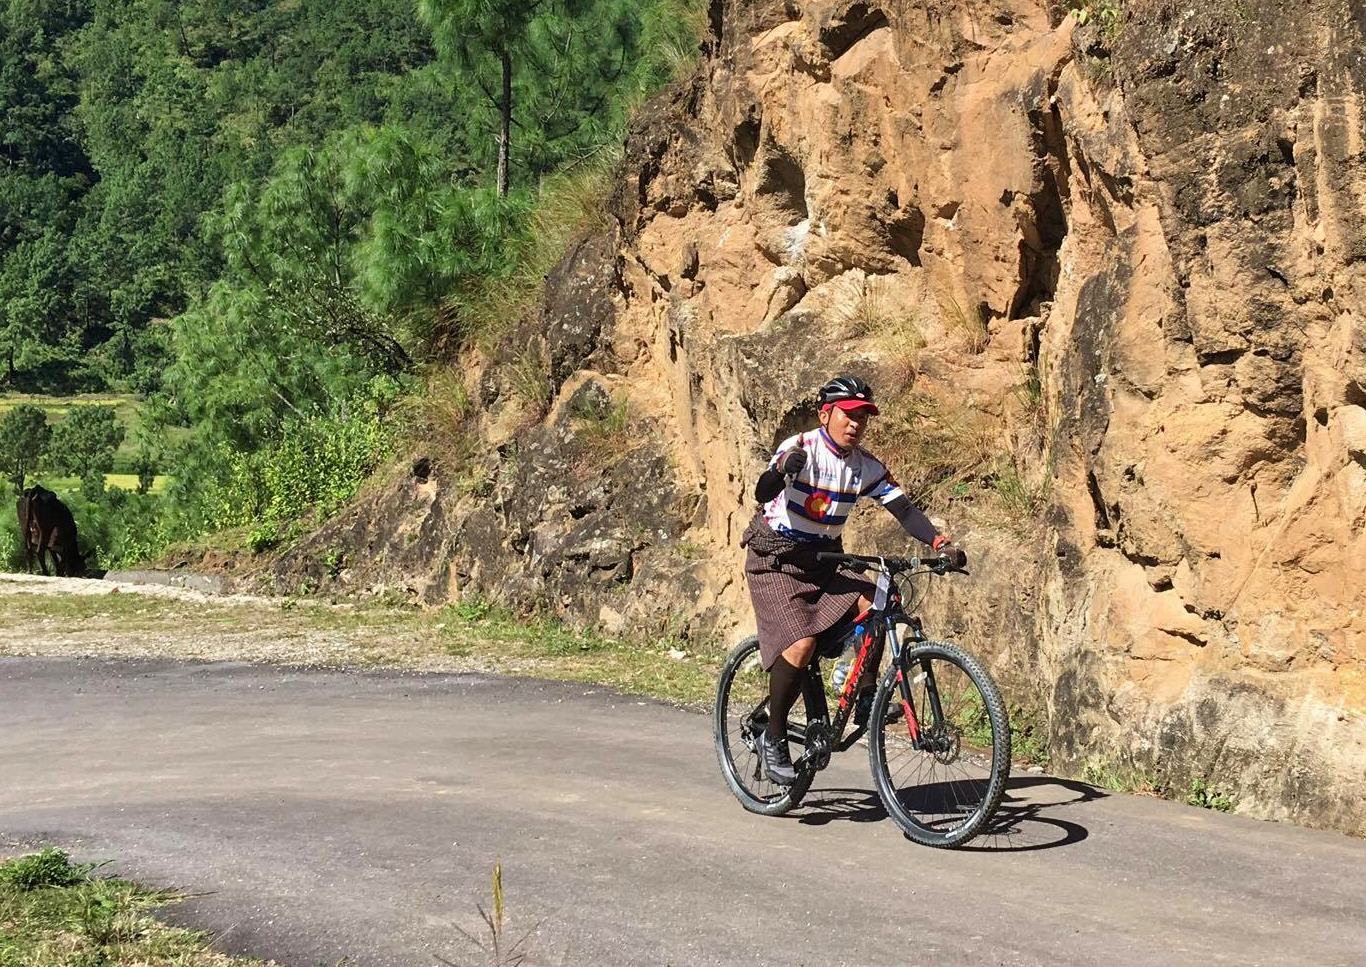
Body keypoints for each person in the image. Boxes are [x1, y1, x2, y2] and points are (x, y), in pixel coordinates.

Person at [740, 375, 966, 785]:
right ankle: (773, 738)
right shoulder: (801, 449)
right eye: (848, 415)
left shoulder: (866, 466)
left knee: (880, 600)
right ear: (826, 414)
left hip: (826, 558)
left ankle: (864, 696)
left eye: (863, 417)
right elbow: (763, 489)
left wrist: (939, 542)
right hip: (776, 559)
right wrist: (784, 469)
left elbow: (904, 510)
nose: (856, 424)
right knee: (802, 643)